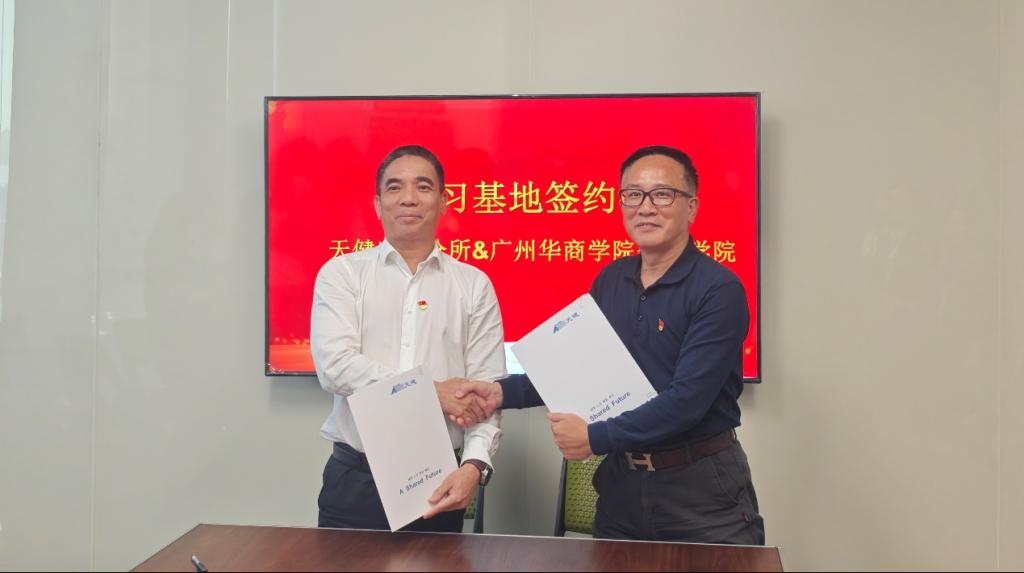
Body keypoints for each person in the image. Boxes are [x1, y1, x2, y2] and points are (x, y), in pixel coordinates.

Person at [444, 145, 764, 544]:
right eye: (633, 194)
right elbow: (575, 367)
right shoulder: (612, 279)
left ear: (691, 207)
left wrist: (594, 438)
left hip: (699, 491)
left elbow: (686, 402)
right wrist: (499, 393)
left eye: (662, 194)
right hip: (622, 487)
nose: (645, 207)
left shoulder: (718, 289)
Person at [311, 145, 503, 532]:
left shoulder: (473, 285)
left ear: (444, 201)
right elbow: (336, 368)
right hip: (356, 481)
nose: (409, 198)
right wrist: (432, 391)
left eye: (423, 187)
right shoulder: (342, 274)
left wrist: (474, 465)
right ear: (378, 203)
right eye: (395, 187)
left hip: (438, 482)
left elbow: (486, 392)